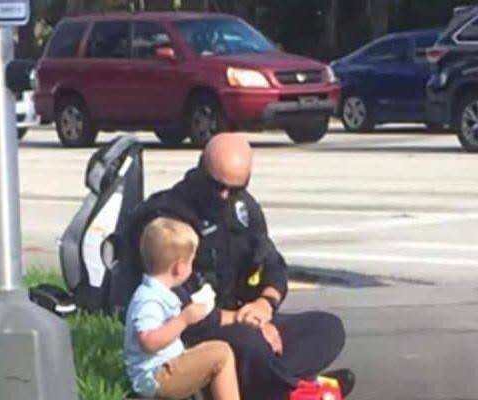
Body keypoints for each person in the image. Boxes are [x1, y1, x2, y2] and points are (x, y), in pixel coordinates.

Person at [115, 133, 353, 400]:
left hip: (249, 317)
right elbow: (182, 307)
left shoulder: (243, 208)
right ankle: (293, 390)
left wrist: (265, 304)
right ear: (201, 169)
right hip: (199, 332)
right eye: (218, 186)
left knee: (327, 329)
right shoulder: (167, 219)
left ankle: (275, 385)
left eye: (235, 188)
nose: (225, 195)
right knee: (251, 345)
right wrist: (244, 321)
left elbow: (272, 264)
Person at [124, 217, 240, 400]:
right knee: (221, 353)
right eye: (191, 262)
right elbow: (148, 341)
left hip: (162, 369)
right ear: (179, 267)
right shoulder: (149, 299)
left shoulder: (159, 293)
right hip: (157, 376)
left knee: (204, 351)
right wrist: (184, 319)